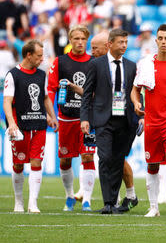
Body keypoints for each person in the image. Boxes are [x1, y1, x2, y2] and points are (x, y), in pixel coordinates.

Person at [74, 30, 140, 212]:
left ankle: (115, 202)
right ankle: (108, 203)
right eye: (121, 42)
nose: (125, 45)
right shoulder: (96, 65)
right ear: (110, 44)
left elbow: (136, 93)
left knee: (118, 160)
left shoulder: (131, 66)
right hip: (103, 118)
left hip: (125, 119)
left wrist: (140, 116)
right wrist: (85, 118)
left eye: (126, 42)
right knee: (104, 157)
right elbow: (87, 94)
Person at [131, 24, 166, 218]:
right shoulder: (145, 63)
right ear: (156, 40)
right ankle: (153, 207)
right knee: (152, 164)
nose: (163, 42)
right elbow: (135, 89)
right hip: (151, 122)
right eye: (160, 38)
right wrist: (137, 103)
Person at [3, 39, 59, 213]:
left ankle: (32, 203)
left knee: (36, 162)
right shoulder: (13, 75)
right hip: (20, 128)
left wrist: (52, 116)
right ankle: (18, 202)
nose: (42, 59)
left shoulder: (41, 75)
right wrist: (12, 123)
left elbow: (45, 98)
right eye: (39, 55)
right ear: (28, 55)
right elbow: (7, 101)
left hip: (39, 125)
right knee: (18, 164)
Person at [47, 25, 95, 212]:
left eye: (83, 38)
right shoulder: (60, 62)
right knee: (65, 160)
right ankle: (69, 196)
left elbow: (96, 93)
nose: (80, 42)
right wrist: (51, 114)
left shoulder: (93, 62)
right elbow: (51, 89)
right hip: (66, 117)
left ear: (87, 40)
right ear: (70, 40)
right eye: (76, 38)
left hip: (87, 118)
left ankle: (87, 200)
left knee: (88, 155)